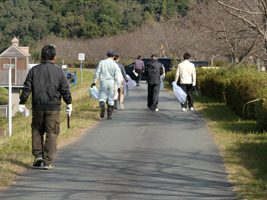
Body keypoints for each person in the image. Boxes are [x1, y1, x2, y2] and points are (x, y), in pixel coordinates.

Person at [18, 44, 72, 170]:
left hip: (37, 106)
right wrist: (69, 103)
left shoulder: (34, 70)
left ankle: (38, 155)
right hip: (53, 107)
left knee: (37, 130)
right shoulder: (59, 71)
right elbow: (65, 89)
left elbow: (27, 88)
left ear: (41, 57)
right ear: (54, 57)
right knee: (52, 133)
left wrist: (22, 103)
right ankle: (48, 161)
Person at [91, 51, 122, 120]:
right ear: (113, 57)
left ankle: (102, 107)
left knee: (102, 97)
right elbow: (117, 76)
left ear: (106, 56)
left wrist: (94, 82)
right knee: (111, 98)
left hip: (103, 82)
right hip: (111, 82)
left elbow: (97, 73)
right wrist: (119, 86)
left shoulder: (101, 62)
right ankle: (109, 115)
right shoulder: (115, 64)